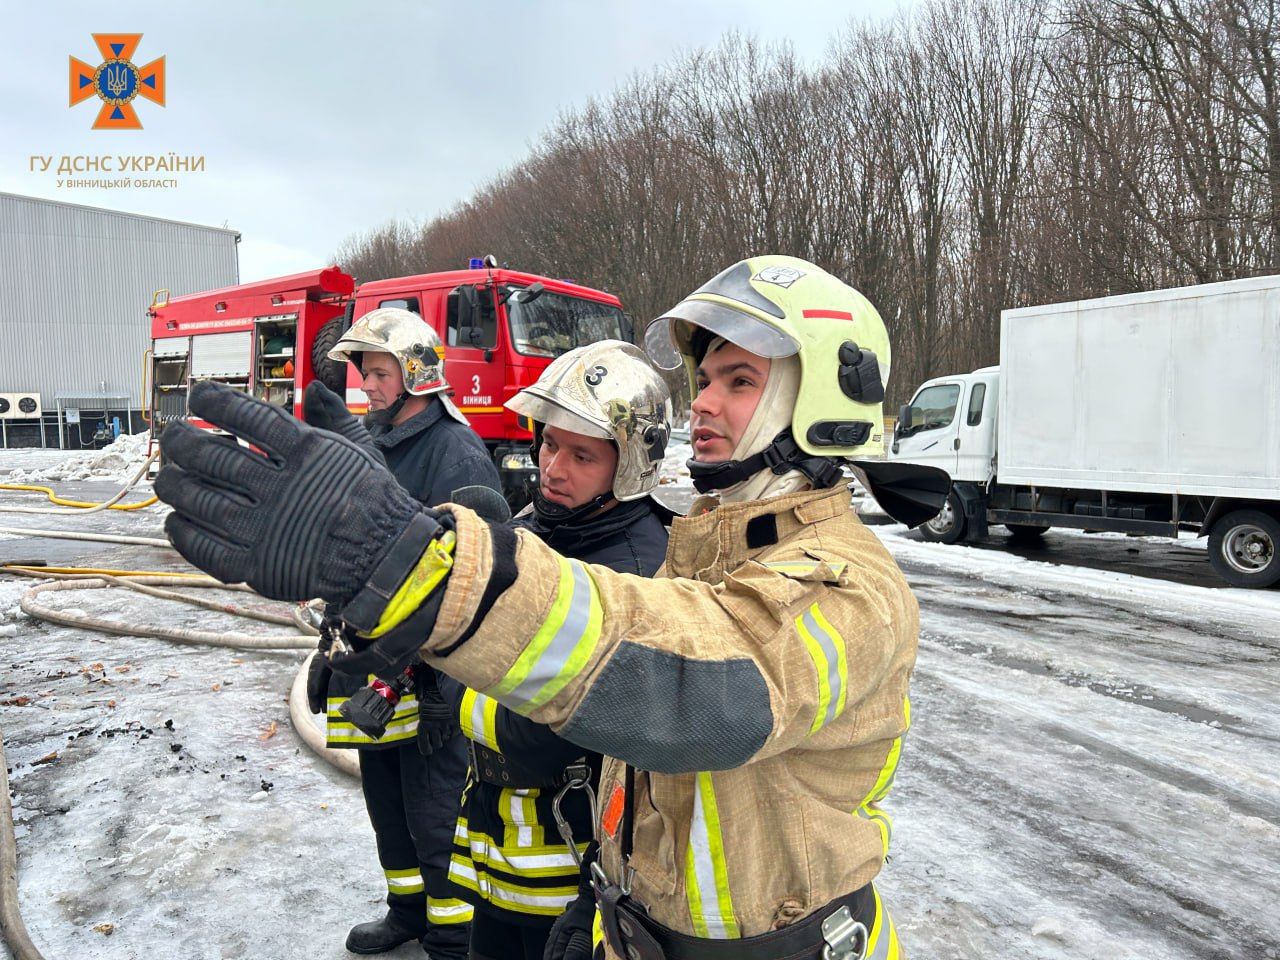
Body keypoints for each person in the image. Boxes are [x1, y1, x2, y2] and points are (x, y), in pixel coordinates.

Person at [155, 257, 949, 960]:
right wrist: (604, 896)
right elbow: (636, 772)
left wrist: (424, 571)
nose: (705, 402)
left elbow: (697, 694)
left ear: (820, 403)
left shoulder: (851, 585)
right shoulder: (707, 552)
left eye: (740, 381)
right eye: (706, 378)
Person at [444, 340, 673, 960]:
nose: (553, 467)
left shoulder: (637, 573)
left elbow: (556, 730)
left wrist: (452, 671)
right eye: (549, 443)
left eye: (581, 455)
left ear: (629, 466)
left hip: (567, 858)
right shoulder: (541, 524)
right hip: (503, 839)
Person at [303, 306, 500, 957]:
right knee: (387, 805)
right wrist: (329, 654)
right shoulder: (371, 442)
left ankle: (453, 936)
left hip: (428, 675)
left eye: (380, 371)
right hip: (367, 662)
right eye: (363, 371)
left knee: (436, 811)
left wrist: (447, 677)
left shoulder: (455, 452)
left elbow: (479, 573)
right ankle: (407, 911)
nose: (367, 384)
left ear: (417, 373)